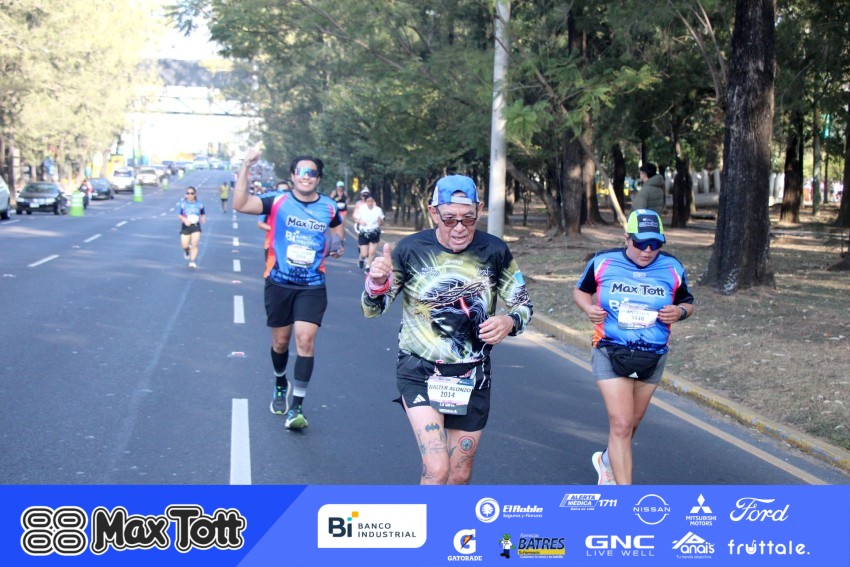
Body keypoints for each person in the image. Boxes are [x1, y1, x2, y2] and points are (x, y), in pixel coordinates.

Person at [361, 175, 533, 484]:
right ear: (433, 213)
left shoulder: (494, 250)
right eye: (449, 219)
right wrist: (376, 283)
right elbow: (374, 308)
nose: (459, 228)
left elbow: (523, 304)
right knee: (437, 468)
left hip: (472, 374)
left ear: (479, 211)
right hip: (420, 370)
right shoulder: (411, 249)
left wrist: (510, 321)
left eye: (468, 219)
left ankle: (449, 516)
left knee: (459, 474)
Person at [573, 209, 694, 485]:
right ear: (627, 238)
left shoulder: (672, 267)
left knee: (631, 424)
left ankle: (607, 461)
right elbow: (580, 290)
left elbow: (687, 302)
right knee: (622, 424)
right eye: (641, 243)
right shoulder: (603, 261)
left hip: (653, 356)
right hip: (609, 348)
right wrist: (588, 308)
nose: (648, 250)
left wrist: (679, 312)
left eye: (655, 243)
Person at [234, 149, 344, 431]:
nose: (306, 177)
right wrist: (246, 166)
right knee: (280, 343)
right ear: (293, 176)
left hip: (312, 285)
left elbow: (337, 228)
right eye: (301, 172)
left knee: (305, 340)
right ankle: (280, 381)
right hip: (279, 282)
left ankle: (296, 406)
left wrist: (337, 245)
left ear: (318, 178)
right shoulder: (277, 201)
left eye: (312, 173)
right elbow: (240, 204)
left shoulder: (329, 206)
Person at [354, 194, 384, 273]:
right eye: (368, 201)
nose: (370, 203)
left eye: (371, 201)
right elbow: (356, 218)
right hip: (364, 232)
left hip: (374, 232)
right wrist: (360, 221)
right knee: (364, 253)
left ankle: (368, 266)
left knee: (372, 252)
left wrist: (380, 221)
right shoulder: (362, 209)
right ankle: (361, 258)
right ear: (366, 202)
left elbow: (382, 222)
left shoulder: (378, 210)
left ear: (374, 201)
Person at [178, 186, 206, 269]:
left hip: (195, 226)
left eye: (192, 193)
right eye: (188, 193)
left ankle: (192, 261)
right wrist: (185, 220)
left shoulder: (199, 204)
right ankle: (187, 250)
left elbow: (203, 213)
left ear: (195, 194)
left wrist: (203, 218)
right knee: (184, 245)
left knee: (195, 244)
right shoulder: (183, 204)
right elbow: (179, 215)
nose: (190, 195)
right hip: (186, 226)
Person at [352, 187, 371, 269]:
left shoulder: (372, 203)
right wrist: (360, 221)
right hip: (360, 226)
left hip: (370, 227)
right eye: (363, 195)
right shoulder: (358, 204)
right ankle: (361, 257)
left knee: (369, 244)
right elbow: (354, 216)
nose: (365, 197)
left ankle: (367, 260)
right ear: (361, 196)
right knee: (361, 244)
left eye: (367, 195)